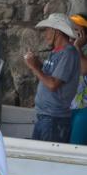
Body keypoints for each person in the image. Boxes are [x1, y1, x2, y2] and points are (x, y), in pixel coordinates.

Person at [24, 13, 80, 143]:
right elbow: (49, 76)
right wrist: (38, 64)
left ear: (56, 32)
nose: (45, 34)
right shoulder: (56, 52)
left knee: (46, 161)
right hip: (46, 117)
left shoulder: (68, 53)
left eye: (47, 30)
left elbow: (53, 84)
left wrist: (34, 67)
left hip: (54, 119)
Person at [70, 13, 87, 145]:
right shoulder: (70, 49)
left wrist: (77, 47)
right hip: (69, 106)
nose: (73, 32)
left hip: (84, 109)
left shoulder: (78, 49)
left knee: (76, 146)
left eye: (77, 29)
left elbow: (84, 70)